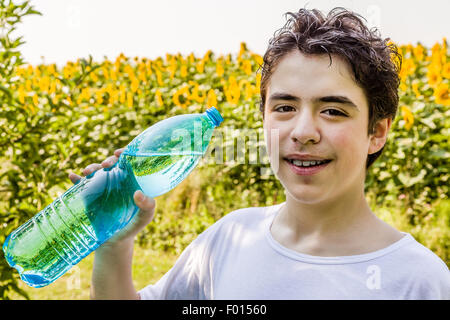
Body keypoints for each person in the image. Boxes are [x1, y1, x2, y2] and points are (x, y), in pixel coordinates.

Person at [69, 7, 450, 299]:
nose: (302, 132)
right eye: (284, 107)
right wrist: (114, 246)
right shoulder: (228, 240)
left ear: (377, 132)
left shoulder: (419, 281)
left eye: (333, 110)